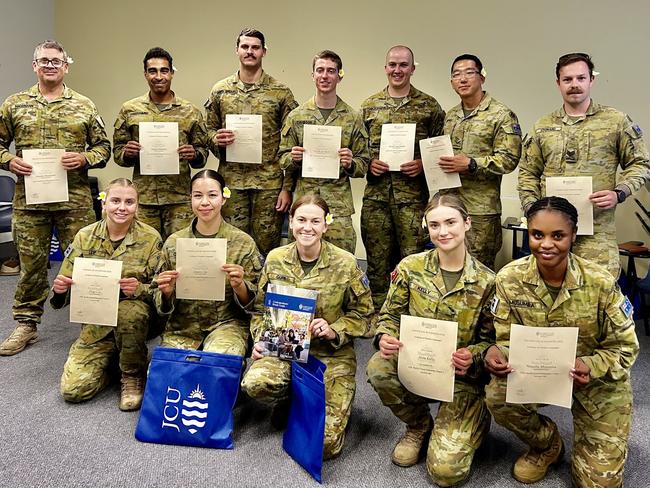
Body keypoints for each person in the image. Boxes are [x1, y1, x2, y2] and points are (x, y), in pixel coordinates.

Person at [485, 196, 639, 486]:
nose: (546, 244)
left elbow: (626, 347)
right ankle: (547, 444)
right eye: (537, 234)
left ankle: (597, 443)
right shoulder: (509, 279)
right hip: (537, 374)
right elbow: (505, 336)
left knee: (597, 484)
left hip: (596, 379)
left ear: (573, 234)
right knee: (497, 395)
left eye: (558, 235)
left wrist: (591, 365)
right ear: (528, 232)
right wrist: (497, 352)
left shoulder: (600, 282)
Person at [366, 194, 495, 486]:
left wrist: (473, 355)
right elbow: (390, 315)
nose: (443, 232)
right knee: (378, 368)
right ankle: (419, 425)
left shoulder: (488, 281)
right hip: (417, 365)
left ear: (467, 223)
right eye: (434, 224)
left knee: (446, 473)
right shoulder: (411, 268)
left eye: (451, 222)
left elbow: (493, 342)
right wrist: (385, 335)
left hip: (460, 377)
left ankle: (477, 418)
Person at [241, 194, 373, 459]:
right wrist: (260, 340)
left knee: (324, 446)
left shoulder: (346, 263)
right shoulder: (275, 259)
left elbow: (366, 316)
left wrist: (335, 328)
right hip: (283, 348)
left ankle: (317, 400)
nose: (307, 227)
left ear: (326, 225)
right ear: (291, 223)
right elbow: (258, 309)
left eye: (315, 221)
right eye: (301, 220)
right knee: (256, 382)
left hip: (330, 354)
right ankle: (288, 397)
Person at [0, 40, 111, 356]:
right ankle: (26, 324)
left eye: (56, 61)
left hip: (73, 203)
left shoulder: (84, 106)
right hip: (29, 202)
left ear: (66, 66)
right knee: (31, 266)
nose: (50, 65)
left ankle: (93, 324)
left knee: (86, 263)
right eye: (43, 60)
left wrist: (84, 159)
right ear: (35, 66)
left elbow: (104, 147)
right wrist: (9, 162)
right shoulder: (14, 104)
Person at [518, 52, 650, 277]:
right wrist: (532, 209)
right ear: (558, 83)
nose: (574, 85)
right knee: (546, 295)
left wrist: (619, 193)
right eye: (567, 80)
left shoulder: (615, 121)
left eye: (581, 78)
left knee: (599, 295)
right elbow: (528, 172)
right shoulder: (543, 126)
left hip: (596, 233)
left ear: (591, 80)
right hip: (550, 234)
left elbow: (641, 164)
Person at [50, 178, 162, 411]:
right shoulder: (85, 236)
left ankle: (132, 374)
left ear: (137, 206)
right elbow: (66, 286)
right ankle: (112, 366)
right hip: (96, 324)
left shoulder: (151, 238)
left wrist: (139, 289)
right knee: (73, 391)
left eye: (129, 202)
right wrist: (60, 291)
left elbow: (161, 292)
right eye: (115, 200)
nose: (122, 207)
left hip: (137, 321)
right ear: (104, 204)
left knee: (129, 311)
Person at [360, 45, 445, 313]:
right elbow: (359, 150)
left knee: (413, 259)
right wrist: (368, 164)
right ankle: (377, 313)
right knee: (377, 259)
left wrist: (423, 164)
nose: (397, 70)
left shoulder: (429, 107)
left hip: (412, 199)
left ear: (412, 68)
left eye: (403, 65)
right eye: (392, 65)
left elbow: (440, 150)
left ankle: (410, 314)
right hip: (376, 197)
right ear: (385, 68)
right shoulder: (369, 106)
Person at [206, 28, 297, 256]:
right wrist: (216, 139)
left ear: (264, 52)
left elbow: (291, 142)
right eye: (245, 47)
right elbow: (207, 131)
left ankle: (262, 291)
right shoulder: (220, 91)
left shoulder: (280, 92)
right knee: (233, 246)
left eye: (255, 47)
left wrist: (287, 188)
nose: (250, 52)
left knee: (266, 247)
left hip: (269, 184)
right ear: (237, 50)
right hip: (232, 182)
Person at [153, 169, 263, 356]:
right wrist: (166, 292)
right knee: (168, 375)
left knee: (219, 366)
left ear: (224, 198)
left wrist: (240, 286)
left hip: (226, 325)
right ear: (190, 199)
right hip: (183, 326)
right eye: (198, 196)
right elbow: (158, 300)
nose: (205, 202)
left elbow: (258, 304)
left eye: (212, 195)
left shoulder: (242, 242)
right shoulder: (174, 243)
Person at [279, 50, 370, 254]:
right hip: (305, 203)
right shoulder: (296, 116)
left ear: (340, 76)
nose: (325, 76)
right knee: (300, 259)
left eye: (331, 71)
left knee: (343, 261)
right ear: (313, 75)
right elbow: (281, 159)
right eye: (320, 70)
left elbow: (364, 163)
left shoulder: (352, 117)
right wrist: (292, 158)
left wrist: (351, 163)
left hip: (338, 206)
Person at [113, 47, 209, 240]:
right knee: (143, 252)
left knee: (178, 253)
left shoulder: (190, 111)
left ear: (172, 73)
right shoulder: (130, 109)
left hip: (179, 198)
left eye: (164, 70)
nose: (158, 76)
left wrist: (194, 154)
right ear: (145, 74)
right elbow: (117, 153)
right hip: (144, 198)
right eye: (152, 71)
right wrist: (127, 153)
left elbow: (203, 154)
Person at [439, 54, 522, 270]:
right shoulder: (451, 116)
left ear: (482, 77)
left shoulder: (501, 115)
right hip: (450, 206)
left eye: (469, 73)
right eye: (457, 75)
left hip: (481, 213)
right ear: (451, 82)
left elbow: (509, 159)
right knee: (449, 267)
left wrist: (472, 164)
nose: (463, 79)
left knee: (478, 272)